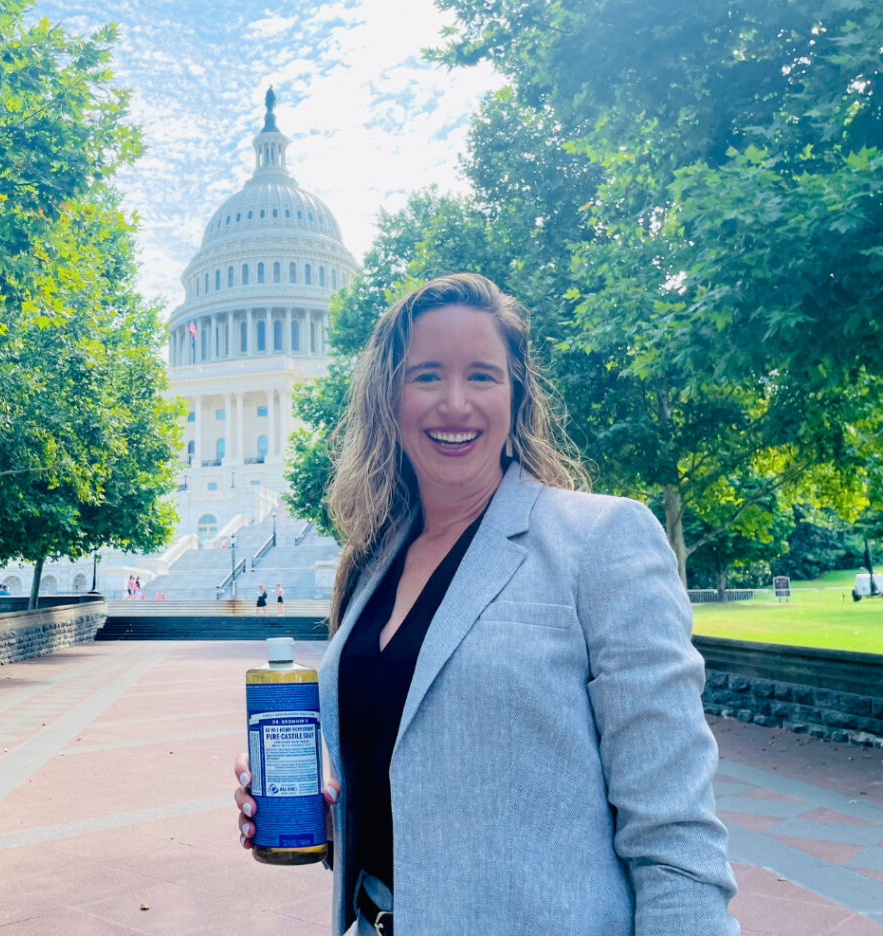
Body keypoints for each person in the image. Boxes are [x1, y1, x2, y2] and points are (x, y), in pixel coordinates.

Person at [235, 273, 738, 936]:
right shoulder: (372, 561)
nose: (454, 403)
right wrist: (327, 820)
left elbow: (675, 838)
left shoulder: (600, 541)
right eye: (425, 376)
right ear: (388, 398)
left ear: (516, 394)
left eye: (481, 376)